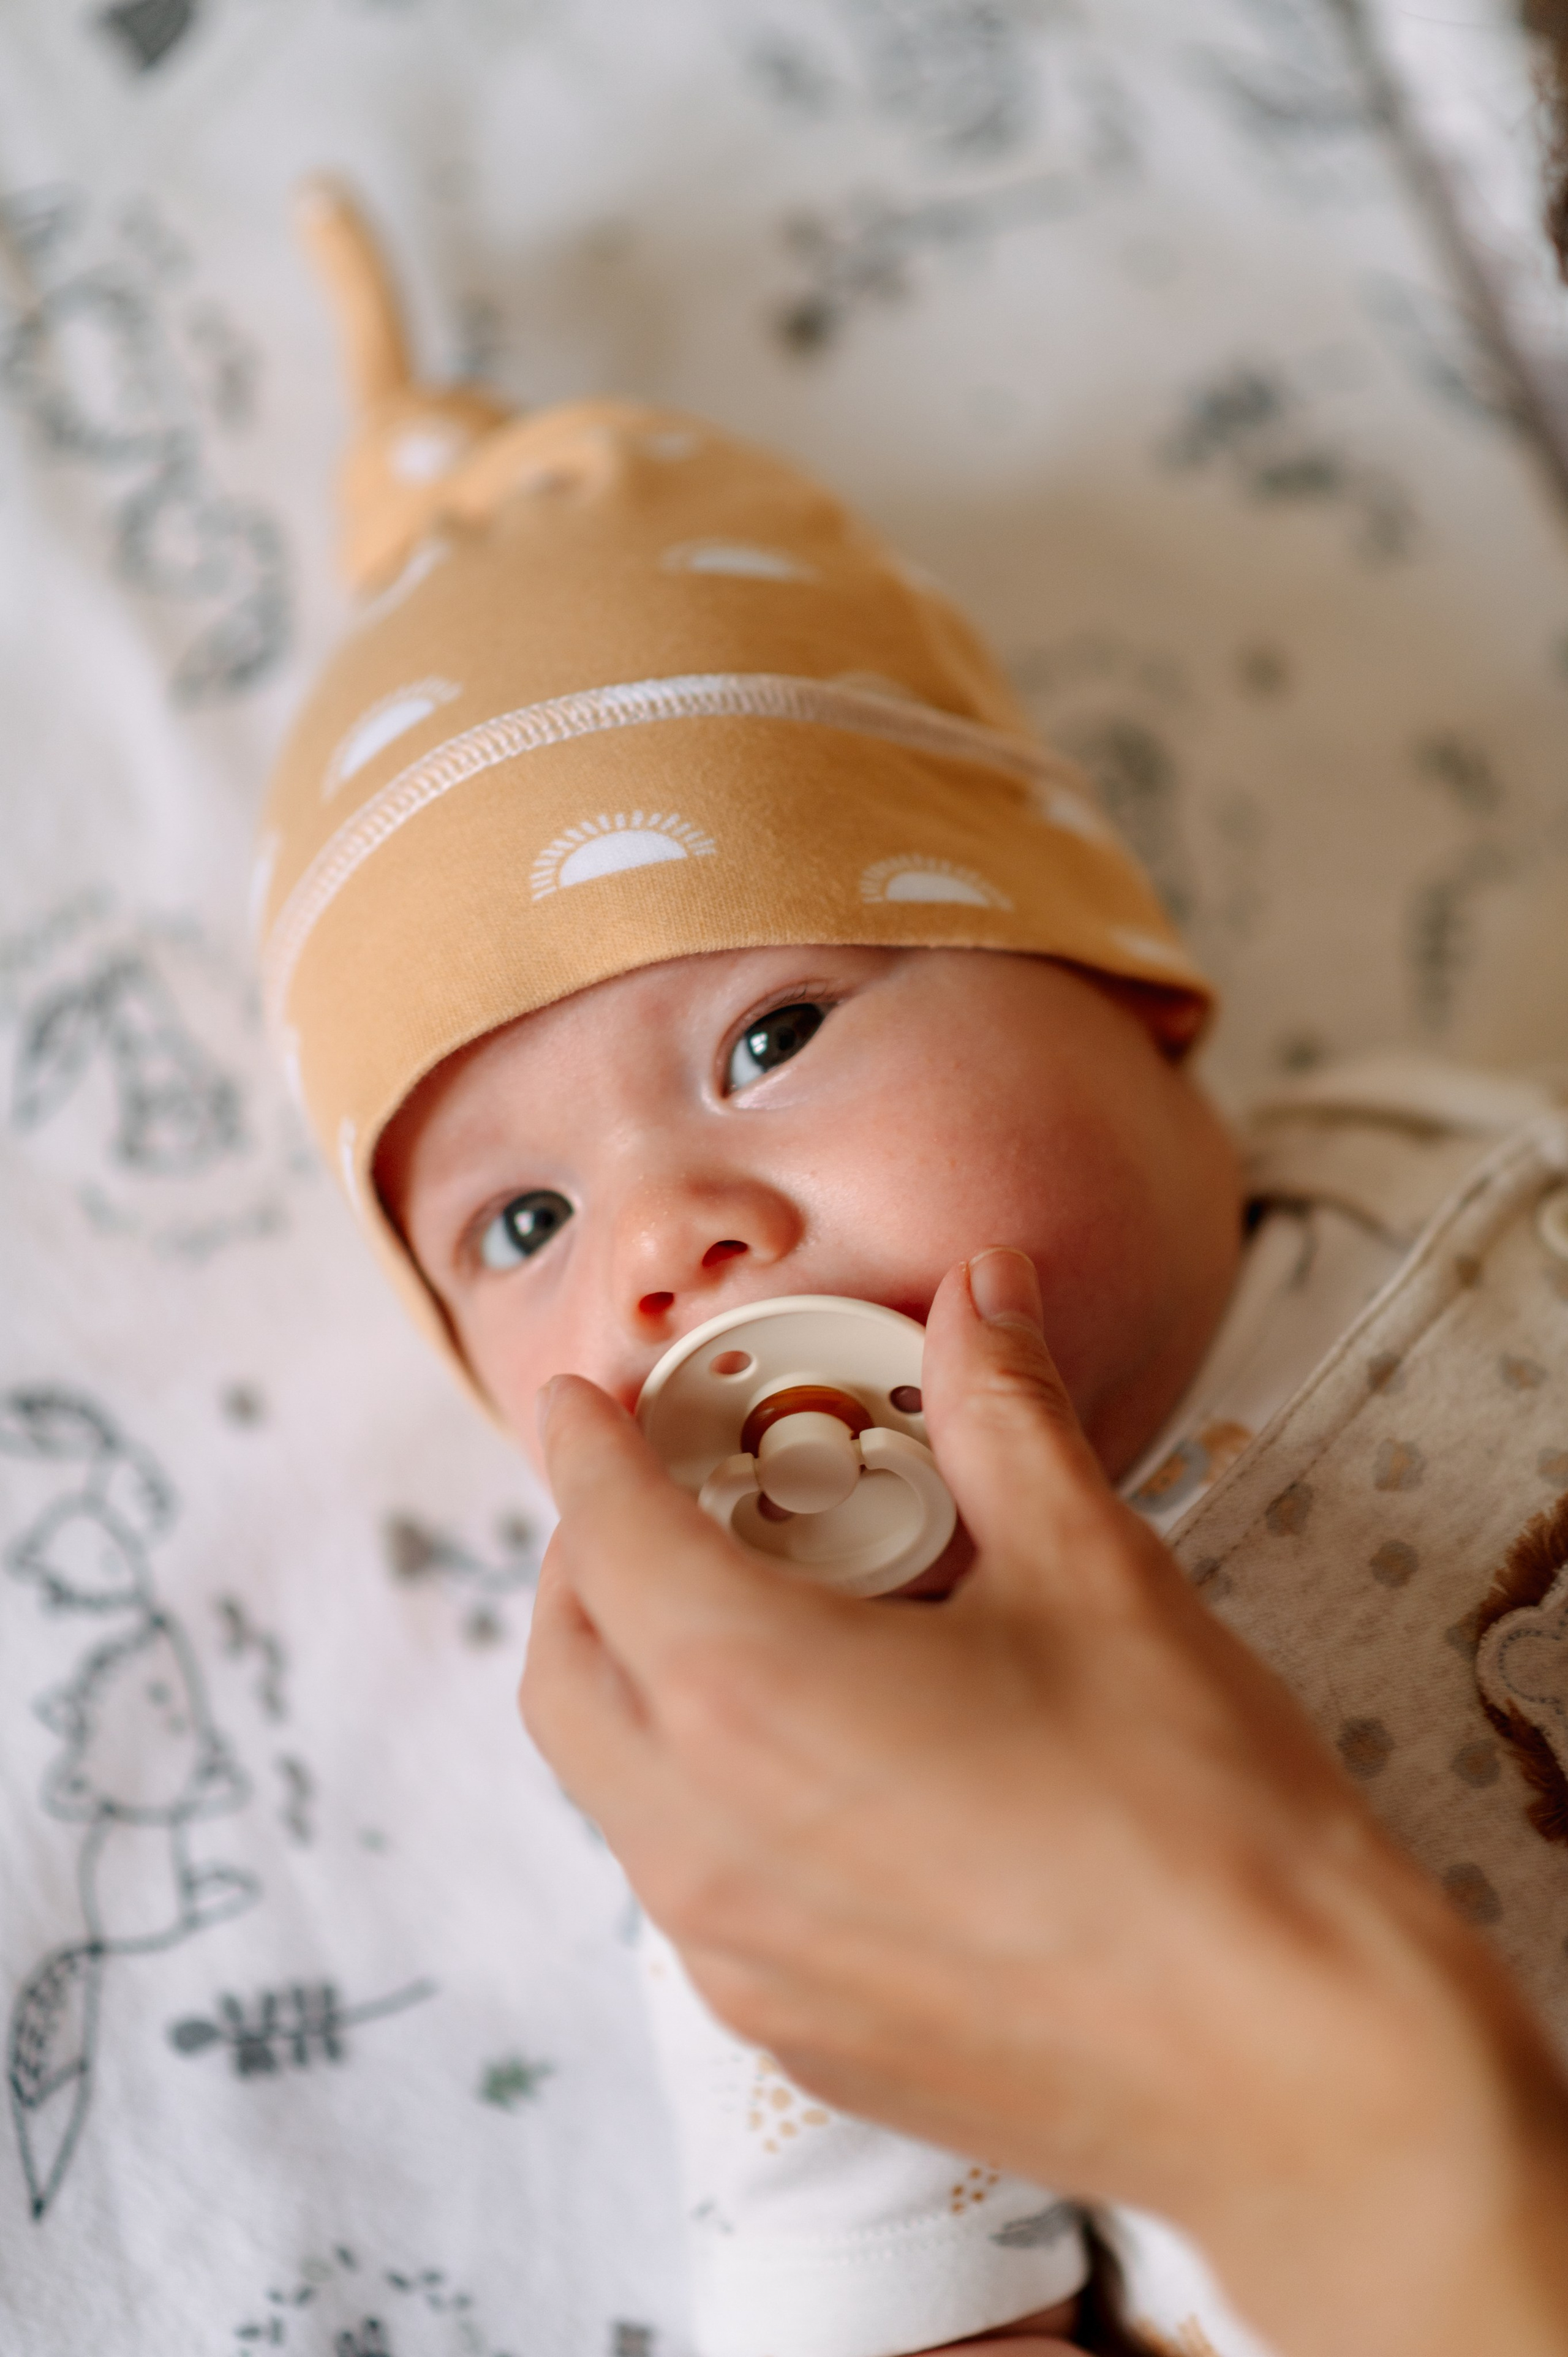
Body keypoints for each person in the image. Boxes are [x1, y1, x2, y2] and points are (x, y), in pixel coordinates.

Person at [257, 182, 1568, 2355]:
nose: (675, 1247)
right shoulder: (797, 1780)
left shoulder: (1442, 1164)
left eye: (770, 1037)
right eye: (523, 1223)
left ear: (1132, 991)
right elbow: (890, 2308)